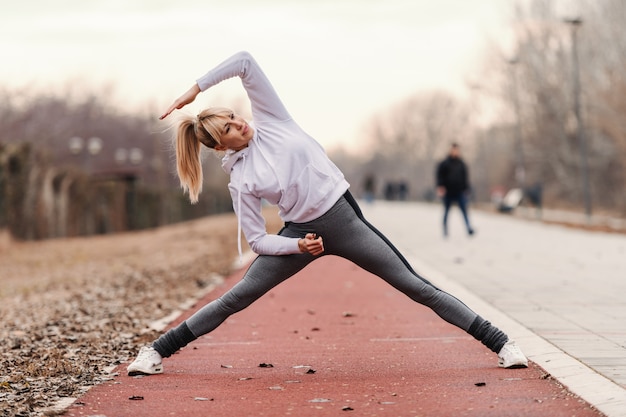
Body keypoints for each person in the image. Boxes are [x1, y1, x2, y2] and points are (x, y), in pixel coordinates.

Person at [127, 51, 527, 376]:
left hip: (344, 219)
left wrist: (194, 91)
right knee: (238, 297)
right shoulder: (241, 181)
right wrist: (296, 244)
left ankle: (501, 343)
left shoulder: (273, 121)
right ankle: (156, 351)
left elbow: (245, 61)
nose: (239, 124)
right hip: (301, 235)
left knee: (415, 286)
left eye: (234, 117)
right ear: (220, 147)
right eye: (229, 129)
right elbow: (257, 241)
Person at [436, 143, 475, 237]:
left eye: (456, 150)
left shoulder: (462, 164)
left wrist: (467, 189)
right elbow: (439, 177)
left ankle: (469, 228)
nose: (455, 152)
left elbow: (465, 178)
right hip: (448, 191)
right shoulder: (444, 163)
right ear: (450, 150)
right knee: (446, 211)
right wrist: (440, 187)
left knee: (464, 211)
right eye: (453, 150)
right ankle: (445, 230)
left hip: (459, 191)